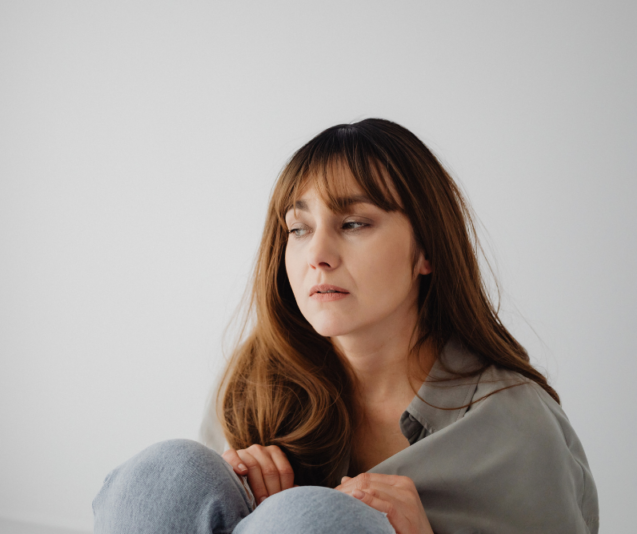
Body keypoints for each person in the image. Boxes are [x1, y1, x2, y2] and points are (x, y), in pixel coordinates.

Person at [92, 119, 598, 534]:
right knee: (168, 475)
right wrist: (237, 492)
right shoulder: (253, 384)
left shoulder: (514, 428)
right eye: (299, 228)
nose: (318, 255)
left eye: (354, 224)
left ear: (426, 250)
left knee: (313, 522)